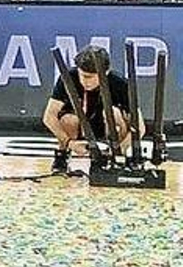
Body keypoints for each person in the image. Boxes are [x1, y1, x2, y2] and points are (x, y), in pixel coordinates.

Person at [44, 45, 145, 173]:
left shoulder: (120, 84)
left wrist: (121, 149)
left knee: (114, 114)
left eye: (89, 77)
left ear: (105, 73)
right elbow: (49, 117)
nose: (85, 81)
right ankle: (62, 156)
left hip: (107, 127)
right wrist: (69, 143)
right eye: (82, 75)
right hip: (79, 126)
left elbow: (140, 128)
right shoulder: (68, 77)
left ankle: (115, 158)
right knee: (68, 120)